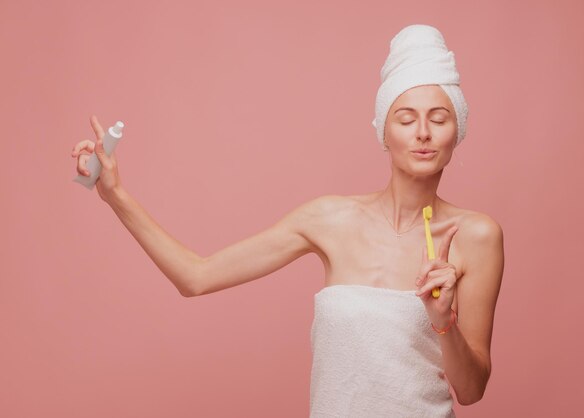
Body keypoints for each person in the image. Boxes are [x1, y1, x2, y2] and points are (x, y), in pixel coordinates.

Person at [71, 24, 503, 417]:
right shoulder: (328, 219)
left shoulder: (476, 236)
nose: (423, 132)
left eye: (439, 118)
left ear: (457, 132)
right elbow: (195, 277)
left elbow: (470, 390)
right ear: (383, 131)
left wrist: (443, 320)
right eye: (406, 118)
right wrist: (116, 197)